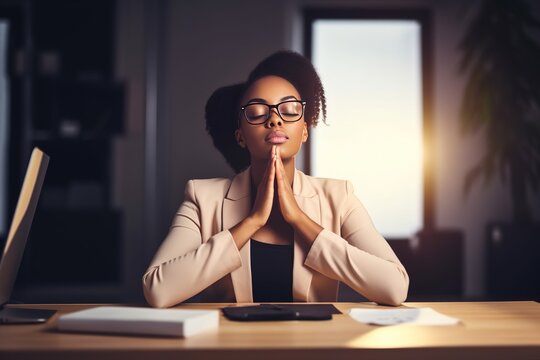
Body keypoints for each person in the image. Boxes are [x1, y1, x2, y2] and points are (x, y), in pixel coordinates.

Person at [143, 51, 409, 308]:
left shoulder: (340, 197)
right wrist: (252, 222)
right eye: (258, 112)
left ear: (304, 131)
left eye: (290, 109)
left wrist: (299, 220)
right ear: (240, 136)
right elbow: (158, 290)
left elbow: (395, 287)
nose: (274, 119)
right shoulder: (203, 198)